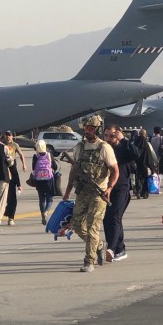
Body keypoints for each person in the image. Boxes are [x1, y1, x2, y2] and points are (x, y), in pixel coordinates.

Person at [62, 115, 119, 273]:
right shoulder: (79, 147)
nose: (88, 131)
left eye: (91, 128)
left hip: (99, 193)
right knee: (77, 225)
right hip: (82, 190)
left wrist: (109, 188)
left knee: (93, 226)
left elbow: (115, 170)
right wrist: (67, 192)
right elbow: (74, 171)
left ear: (98, 129)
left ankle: (89, 261)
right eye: (86, 128)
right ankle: (98, 245)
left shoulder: (104, 148)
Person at [103, 124, 140, 263]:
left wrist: (124, 139)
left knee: (114, 218)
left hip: (121, 188)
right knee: (107, 219)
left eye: (111, 135)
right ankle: (120, 249)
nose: (108, 138)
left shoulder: (123, 147)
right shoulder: (104, 148)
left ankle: (111, 249)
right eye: (106, 135)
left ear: (118, 134)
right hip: (106, 188)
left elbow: (137, 154)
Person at [32, 140, 58, 224]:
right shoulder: (49, 155)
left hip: (38, 180)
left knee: (41, 198)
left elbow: (33, 168)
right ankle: (46, 212)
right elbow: (55, 166)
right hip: (48, 179)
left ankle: (42, 213)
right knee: (49, 198)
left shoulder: (35, 156)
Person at [3, 131, 26, 225]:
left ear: (12, 136)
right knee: (4, 196)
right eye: (7, 135)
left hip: (12, 167)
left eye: (9, 135)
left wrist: (24, 164)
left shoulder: (15, 145)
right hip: (4, 168)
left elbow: (21, 155)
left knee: (12, 196)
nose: (8, 137)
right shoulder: (2, 145)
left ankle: (11, 217)